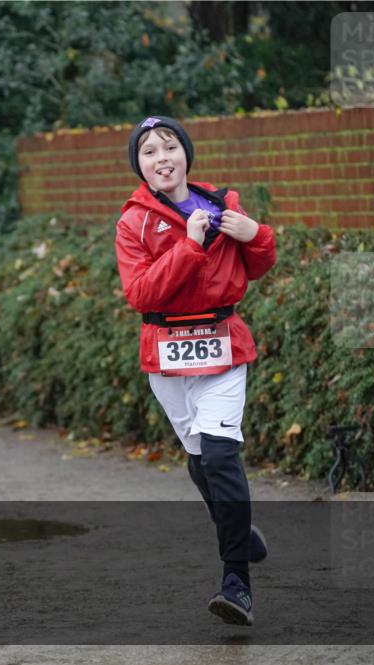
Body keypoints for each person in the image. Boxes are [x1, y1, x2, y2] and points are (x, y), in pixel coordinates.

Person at [114, 116, 277, 626]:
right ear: (140, 166)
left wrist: (257, 234)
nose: (161, 158)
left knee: (222, 454)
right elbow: (141, 293)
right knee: (199, 457)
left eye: (169, 147)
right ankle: (236, 528)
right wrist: (188, 244)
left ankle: (236, 583)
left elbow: (257, 265)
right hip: (167, 356)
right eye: (148, 152)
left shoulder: (224, 204)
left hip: (223, 347)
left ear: (185, 154)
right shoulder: (133, 222)